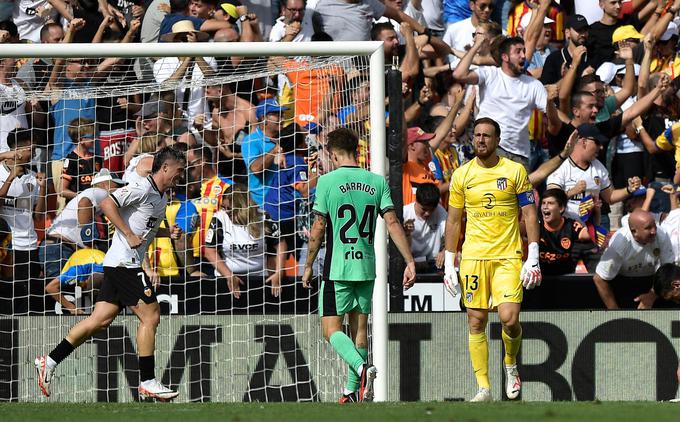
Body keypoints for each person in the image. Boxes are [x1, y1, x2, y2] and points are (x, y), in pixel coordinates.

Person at [35, 146, 187, 401]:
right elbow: (107, 203)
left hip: (122, 263)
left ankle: (48, 361)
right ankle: (147, 381)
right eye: (179, 171)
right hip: (123, 264)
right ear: (165, 168)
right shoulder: (141, 188)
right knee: (151, 316)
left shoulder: (161, 197)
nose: (181, 176)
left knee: (99, 320)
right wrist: (127, 234)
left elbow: (143, 227)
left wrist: (165, 234)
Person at [301, 128, 416, 403]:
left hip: (337, 268)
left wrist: (308, 265)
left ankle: (362, 369)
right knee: (360, 332)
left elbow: (318, 226)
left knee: (331, 331)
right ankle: (351, 392)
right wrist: (409, 261)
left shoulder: (327, 182)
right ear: (357, 150)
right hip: (366, 266)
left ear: (332, 153)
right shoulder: (376, 181)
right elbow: (392, 223)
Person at [443, 117, 541, 402]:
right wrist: (450, 263)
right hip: (474, 257)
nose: (481, 140)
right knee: (476, 321)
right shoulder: (462, 175)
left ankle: (511, 365)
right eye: (477, 135)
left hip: (508, 256)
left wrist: (532, 254)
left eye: (487, 135)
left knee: (509, 320)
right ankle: (483, 388)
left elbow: (529, 214)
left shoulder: (514, 171)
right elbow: (453, 221)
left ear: (497, 140)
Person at [453, 35, 547, 170]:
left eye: (524, 51)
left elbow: (551, 112)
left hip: (520, 156)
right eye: (518, 51)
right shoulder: (490, 74)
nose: (523, 56)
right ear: (505, 57)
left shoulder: (533, 84)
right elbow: (459, 74)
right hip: (492, 149)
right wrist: (476, 45)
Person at [203, 184, 285, 301]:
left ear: (242, 206)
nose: (226, 212)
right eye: (223, 207)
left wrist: (278, 272)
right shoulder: (220, 219)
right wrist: (229, 275)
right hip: (227, 279)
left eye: (229, 208)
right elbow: (209, 251)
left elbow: (281, 244)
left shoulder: (263, 217)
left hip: (258, 278)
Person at [593, 209, 674, 309]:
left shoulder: (661, 234)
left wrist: (652, 295)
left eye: (654, 225)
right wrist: (615, 314)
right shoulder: (620, 243)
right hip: (622, 283)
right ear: (634, 231)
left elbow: (669, 269)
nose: (654, 231)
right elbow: (599, 279)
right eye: (648, 228)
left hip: (653, 283)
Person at [538, 188, 592, 276]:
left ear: (561, 208)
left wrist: (595, 212)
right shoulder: (536, 227)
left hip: (566, 278)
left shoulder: (571, 226)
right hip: (542, 279)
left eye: (550, 203)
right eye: (543, 203)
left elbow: (592, 235)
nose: (545, 206)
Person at [44, 248, 106, 316]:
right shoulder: (76, 271)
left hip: (98, 256)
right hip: (79, 260)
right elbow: (50, 287)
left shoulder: (111, 269)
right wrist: (72, 308)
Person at [403, 182, 447, 272]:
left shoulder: (440, 211)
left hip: (432, 265)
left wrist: (445, 251)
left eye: (432, 210)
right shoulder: (405, 213)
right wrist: (406, 234)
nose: (427, 213)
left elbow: (451, 233)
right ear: (416, 201)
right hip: (408, 264)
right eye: (424, 209)